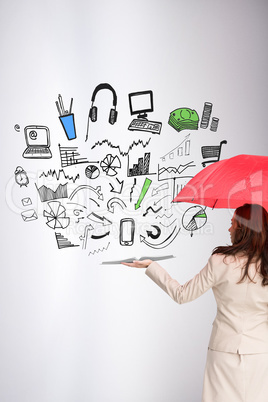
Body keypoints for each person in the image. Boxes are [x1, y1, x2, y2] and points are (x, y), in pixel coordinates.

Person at [122, 203, 268, 402]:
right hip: (261, 353)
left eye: (232, 223)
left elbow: (182, 295)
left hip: (223, 351)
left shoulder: (220, 262)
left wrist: (152, 266)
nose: (229, 228)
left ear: (242, 229)